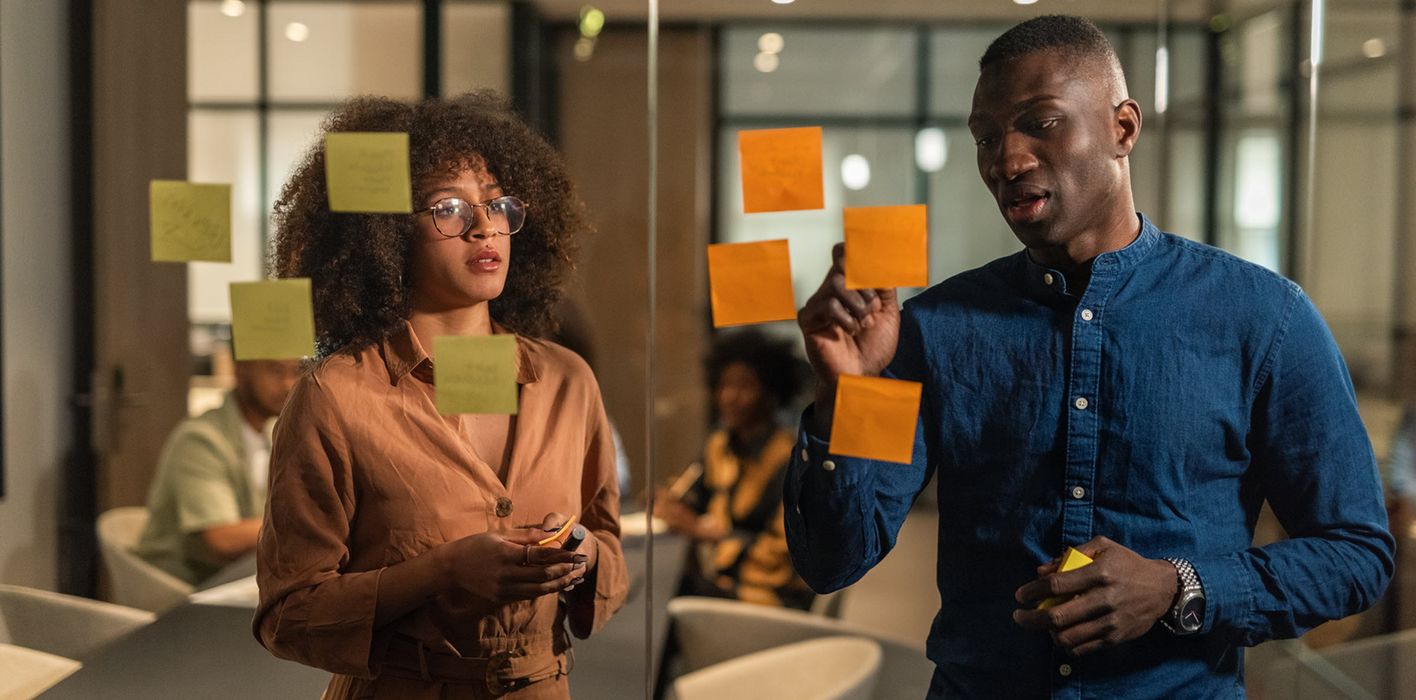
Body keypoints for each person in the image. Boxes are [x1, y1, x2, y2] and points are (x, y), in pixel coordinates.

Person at [783, 15, 1394, 697]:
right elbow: (835, 561)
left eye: (1040, 124)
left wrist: (1178, 587)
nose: (1006, 161)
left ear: (1122, 129)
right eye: (986, 138)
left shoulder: (1263, 318)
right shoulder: (932, 331)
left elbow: (1355, 554)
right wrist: (844, 397)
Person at [253, 92, 628, 700]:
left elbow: (609, 548)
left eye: (497, 203)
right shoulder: (335, 397)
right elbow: (289, 614)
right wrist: (442, 571)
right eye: (448, 208)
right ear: (385, 232)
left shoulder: (568, 382)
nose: (484, 227)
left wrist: (581, 556)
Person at [655, 330, 814, 609]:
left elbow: (784, 551)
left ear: (771, 392)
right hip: (724, 587)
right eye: (724, 385)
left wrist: (703, 532)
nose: (730, 396)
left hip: (770, 598)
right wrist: (669, 504)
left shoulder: (790, 457)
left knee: (666, 599)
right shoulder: (719, 445)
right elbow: (689, 494)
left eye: (745, 386)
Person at [135, 358, 299, 586]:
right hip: (182, 588)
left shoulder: (272, 435)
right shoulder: (200, 439)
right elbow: (221, 540)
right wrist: (301, 524)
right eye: (275, 370)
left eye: (296, 372)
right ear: (240, 369)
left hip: (233, 578)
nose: (289, 384)